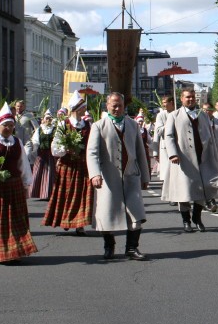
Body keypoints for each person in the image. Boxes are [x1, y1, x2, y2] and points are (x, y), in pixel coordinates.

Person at [86, 92, 150, 260]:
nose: (116, 108)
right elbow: (92, 153)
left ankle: (131, 248)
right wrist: (94, 174)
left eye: (119, 105)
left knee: (136, 213)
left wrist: (145, 177)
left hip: (131, 175)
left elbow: (140, 152)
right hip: (108, 177)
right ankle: (109, 245)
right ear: (107, 106)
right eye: (113, 105)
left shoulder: (133, 125)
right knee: (105, 213)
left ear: (124, 106)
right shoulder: (98, 126)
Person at [0, 103, 38, 263]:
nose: (8, 128)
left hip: (13, 185)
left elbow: (22, 163)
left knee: (14, 221)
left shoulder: (16, 142)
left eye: (11, 125)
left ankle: (13, 252)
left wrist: (26, 183)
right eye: (5, 125)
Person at [161, 88, 218, 233]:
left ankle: (197, 218)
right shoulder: (174, 115)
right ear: (181, 99)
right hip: (183, 160)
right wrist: (173, 154)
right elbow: (169, 136)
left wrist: (213, 153)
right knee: (184, 191)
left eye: (193, 97)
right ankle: (186, 220)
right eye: (187, 97)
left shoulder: (203, 115)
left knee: (203, 189)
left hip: (202, 158)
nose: (191, 99)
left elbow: (210, 135)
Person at [42, 91, 94, 236]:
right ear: (76, 109)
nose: (84, 110)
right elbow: (55, 147)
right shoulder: (63, 125)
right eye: (82, 107)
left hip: (83, 164)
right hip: (68, 164)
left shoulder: (87, 125)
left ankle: (80, 224)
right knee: (67, 194)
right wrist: (66, 149)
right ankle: (66, 219)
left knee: (82, 195)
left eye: (84, 107)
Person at [26, 109, 56, 200]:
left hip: (50, 154)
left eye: (50, 119)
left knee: (50, 172)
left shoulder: (54, 129)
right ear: (43, 119)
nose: (48, 120)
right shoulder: (40, 129)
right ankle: (40, 193)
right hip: (41, 153)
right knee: (39, 171)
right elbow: (35, 141)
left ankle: (49, 193)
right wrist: (35, 150)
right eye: (47, 118)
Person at [152, 96, 175, 205]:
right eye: (163, 102)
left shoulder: (178, 112)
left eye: (166, 102)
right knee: (167, 173)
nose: (164, 104)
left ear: (172, 102)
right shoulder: (161, 115)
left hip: (178, 146)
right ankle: (170, 196)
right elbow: (157, 132)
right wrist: (155, 151)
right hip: (165, 147)